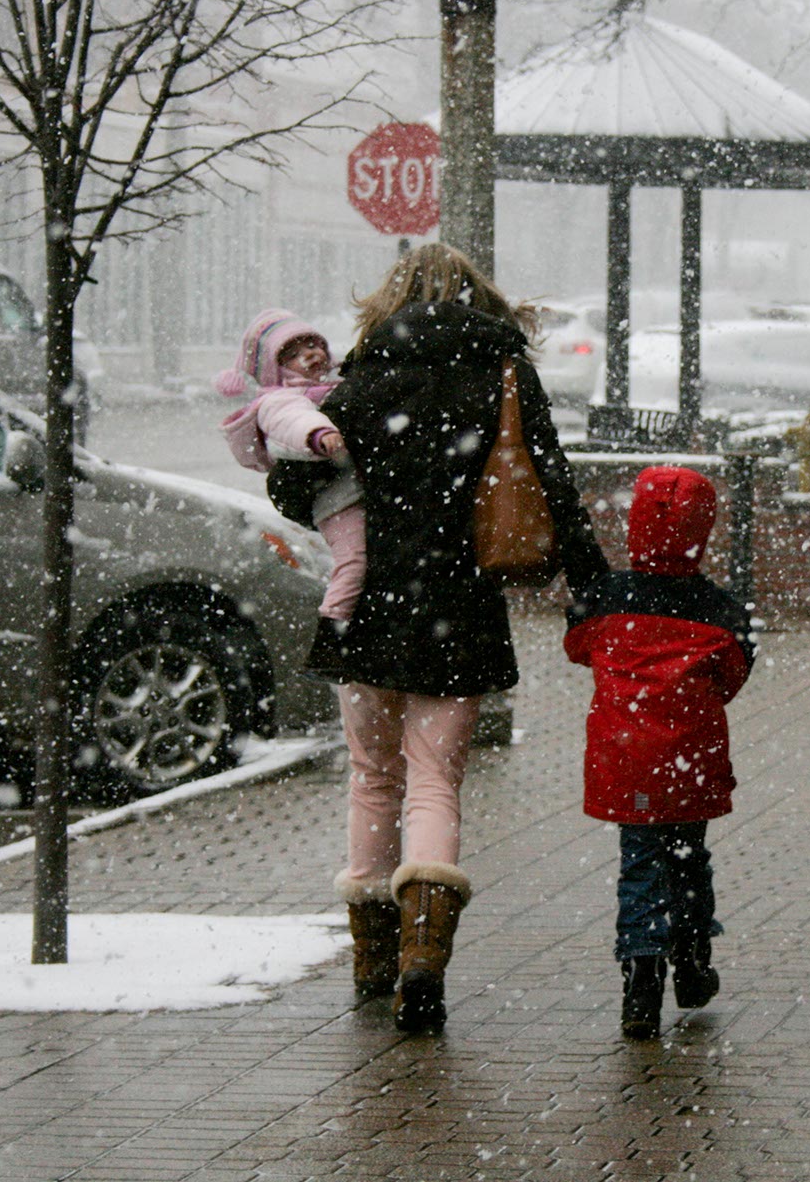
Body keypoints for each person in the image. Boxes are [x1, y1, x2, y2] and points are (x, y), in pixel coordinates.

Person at [310, 243, 608, 1032]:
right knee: (435, 779)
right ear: (481, 299)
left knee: (373, 777)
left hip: (368, 600)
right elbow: (551, 481)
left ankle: (372, 961)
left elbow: (294, 479)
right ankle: (423, 960)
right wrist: (596, 585)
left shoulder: (365, 373)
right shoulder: (504, 370)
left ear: (391, 299)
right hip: (461, 602)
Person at [564, 465, 756, 1039]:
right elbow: (734, 674)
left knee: (639, 864)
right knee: (688, 858)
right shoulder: (718, 609)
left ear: (635, 525)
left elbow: (577, 647)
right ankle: (693, 961)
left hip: (624, 761)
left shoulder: (605, 600)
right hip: (689, 761)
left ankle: (640, 982)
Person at [214, 310, 365, 622]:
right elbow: (294, 420)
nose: (310, 354)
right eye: (294, 354)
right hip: (334, 502)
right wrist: (320, 435)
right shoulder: (278, 399)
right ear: (275, 370)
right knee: (354, 560)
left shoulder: (337, 387)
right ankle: (332, 629)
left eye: (312, 344)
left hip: (352, 490)